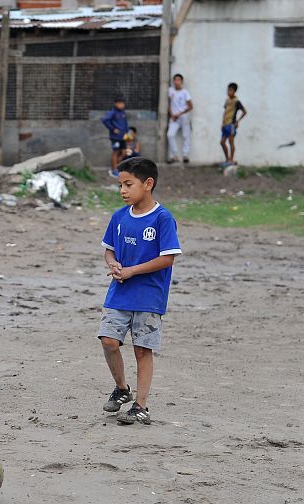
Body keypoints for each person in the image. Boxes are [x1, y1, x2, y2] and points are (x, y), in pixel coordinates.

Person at [97, 157, 182, 425]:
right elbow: (108, 249)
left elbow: (167, 258)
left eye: (128, 184)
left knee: (143, 349)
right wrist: (113, 264)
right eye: (120, 185)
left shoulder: (162, 218)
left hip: (149, 296)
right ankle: (122, 388)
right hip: (119, 292)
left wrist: (133, 271)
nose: (122, 190)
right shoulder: (119, 217)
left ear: (148, 184)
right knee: (108, 340)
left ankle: (141, 405)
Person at [167, 74, 193, 163]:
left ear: (181, 81)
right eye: (175, 80)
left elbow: (190, 106)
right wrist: (172, 115)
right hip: (174, 118)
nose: (176, 82)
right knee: (170, 134)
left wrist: (180, 113)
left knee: (186, 136)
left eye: (178, 80)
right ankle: (175, 155)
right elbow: (169, 104)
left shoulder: (185, 92)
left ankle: (185, 155)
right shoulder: (171, 91)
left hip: (184, 117)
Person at [220, 82, 247, 166]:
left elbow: (244, 111)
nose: (228, 92)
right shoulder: (227, 101)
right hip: (225, 124)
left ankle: (231, 159)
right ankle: (227, 159)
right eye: (228, 90)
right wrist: (222, 123)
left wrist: (237, 121)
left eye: (230, 90)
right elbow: (225, 112)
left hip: (231, 125)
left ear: (234, 91)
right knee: (222, 142)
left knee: (231, 142)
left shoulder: (237, 101)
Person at [102, 97, 129, 178]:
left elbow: (125, 123)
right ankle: (114, 171)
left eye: (123, 103)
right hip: (115, 137)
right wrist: (113, 129)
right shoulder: (112, 112)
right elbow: (105, 120)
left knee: (124, 152)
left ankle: (118, 167)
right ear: (116, 103)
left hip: (123, 136)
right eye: (120, 103)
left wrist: (127, 132)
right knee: (115, 152)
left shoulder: (123, 112)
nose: (122, 105)